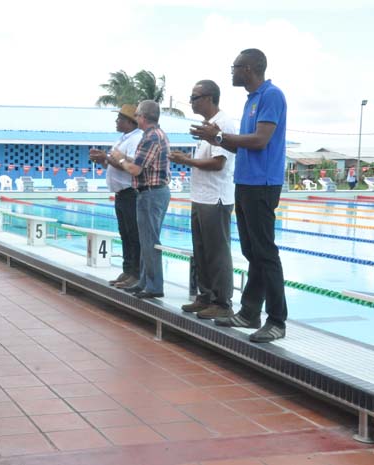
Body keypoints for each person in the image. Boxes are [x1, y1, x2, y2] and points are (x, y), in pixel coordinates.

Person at [190, 48, 288, 343]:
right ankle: (249, 312)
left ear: (248, 69)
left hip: (262, 183)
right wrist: (215, 138)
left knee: (266, 253)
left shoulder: (271, 95)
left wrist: (219, 137)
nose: (231, 72)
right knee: (252, 252)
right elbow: (240, 146)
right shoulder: (251, 101)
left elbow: (260, 141)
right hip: (244, 182)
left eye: (234, 67)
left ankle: (277, 320)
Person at [169, 80, 236, 319]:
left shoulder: (224, 124)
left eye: (195, 97)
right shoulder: (207, 125)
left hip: (215, 199)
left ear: (209, 98)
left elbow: (219, 163)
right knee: (201, 251)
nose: (191, 101)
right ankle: (205, 296)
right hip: (201, 197)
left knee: (217, 252)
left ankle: (222, 303)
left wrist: (186, 161)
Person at [111, 100, 171, 299]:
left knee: (150, 241)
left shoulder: (152, 137)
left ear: (143, 117)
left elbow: (135, 169)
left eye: (137, 115)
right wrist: (121, 158)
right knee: (146, 241)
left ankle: (154, 286)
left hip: (152, 193)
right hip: (148, 193)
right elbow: (138, 163)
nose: (135, 118)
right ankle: (145, 281)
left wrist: (119, 159)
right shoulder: (150, 135)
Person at [89, 104, 143, 290]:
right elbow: (114, 165)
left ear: (129, 122)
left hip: (131, 193)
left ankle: (136, 273)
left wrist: (107, 157)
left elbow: (131, 167)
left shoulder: (136, 139)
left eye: (119, 118)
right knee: (125, 234)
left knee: (133, 235)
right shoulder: (122, 139)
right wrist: (103, 160)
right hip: (121, 194)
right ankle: (127, 270)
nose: (116, 121)